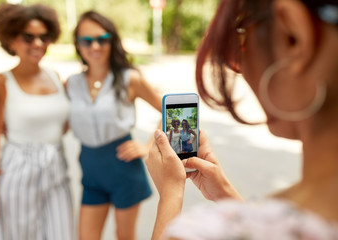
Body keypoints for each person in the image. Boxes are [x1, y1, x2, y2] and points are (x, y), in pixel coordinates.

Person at [145, 0, 338, 239]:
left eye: (240, 38)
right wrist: (224, 194)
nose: (237, 66)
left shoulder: (208, 232)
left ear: (294, 37)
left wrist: (171, 192)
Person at [0, 3, 74, 240]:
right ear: (11, 40)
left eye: (45, 36)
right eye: (28, 37)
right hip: (17, 169)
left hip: (57, 169)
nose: (38, 43)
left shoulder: (55, 77)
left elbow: (61, 126)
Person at [66, 10, 162, 240]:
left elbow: (170, 110)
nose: (95, 46)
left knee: (124, 237)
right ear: (78, 45)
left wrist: (148, 146)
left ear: (112, 41)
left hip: (123, 169)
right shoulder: (71, 83)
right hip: (90, 170)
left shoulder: (130, 79)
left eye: (102, 39)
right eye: (87, 40)